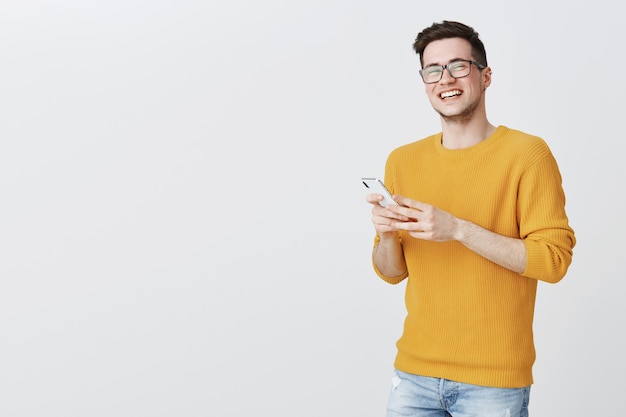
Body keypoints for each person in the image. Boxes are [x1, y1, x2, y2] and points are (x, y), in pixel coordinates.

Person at [365, 20, 575, 417]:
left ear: (485, 75)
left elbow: (554, 261)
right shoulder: (402, 160)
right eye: (433, 70)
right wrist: (387, 235)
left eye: (459, 66)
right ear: (425, 82)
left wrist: (458, 229)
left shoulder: (528, 155)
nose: (446, 79)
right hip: (413, 375)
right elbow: (391, 273)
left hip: (493, 384)